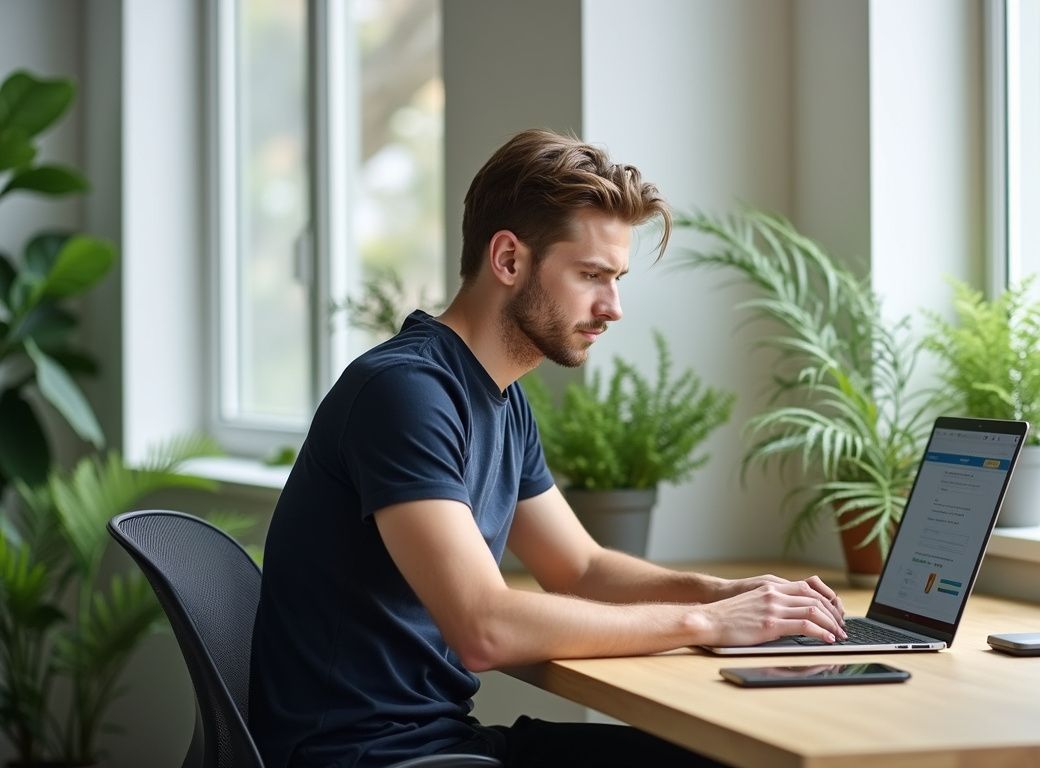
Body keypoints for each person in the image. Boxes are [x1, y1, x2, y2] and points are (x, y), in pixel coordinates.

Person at [248, 128, 849, 767]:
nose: (612, 307)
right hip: (362, 758)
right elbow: (485, 627)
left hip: (439, 744)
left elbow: (580, 569)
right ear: (509, 259)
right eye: (592, 275)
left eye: (616, 279)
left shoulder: (501, 401)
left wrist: (718, 593)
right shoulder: (405, 393)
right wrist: (704, 625)